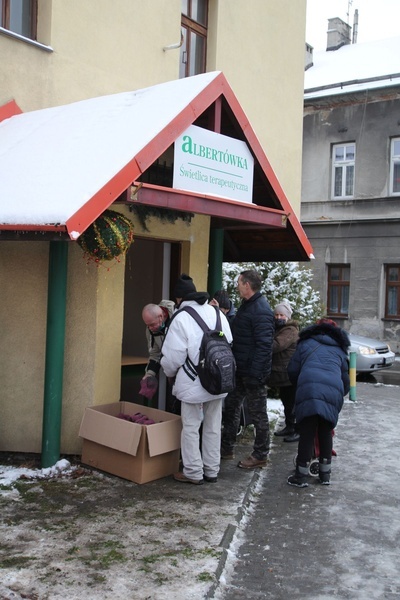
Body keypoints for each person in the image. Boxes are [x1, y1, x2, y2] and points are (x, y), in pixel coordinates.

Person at [160, 275, 233, 485]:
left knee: (191, 427)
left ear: (179, 298)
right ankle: (212, 470)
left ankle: (193, 472)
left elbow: (173, 357)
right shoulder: (217, 312)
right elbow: (229, 342)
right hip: (219, 380)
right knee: (212, 425)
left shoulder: (181, 317)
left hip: (193, 382)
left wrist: (170, 374)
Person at [220, 270, 275, 469]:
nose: (236, 286)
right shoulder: (247, 306)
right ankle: (227, 448)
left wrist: (256, 374)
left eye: (239, 282)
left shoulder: (261, 310)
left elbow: (264, 346)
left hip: (253, 374)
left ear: (247, 285)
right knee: (232, 408)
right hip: (241, 370)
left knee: (258, 414)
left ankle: (260, 454)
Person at [286, 318, 350, 487]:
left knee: (307, 431)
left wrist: (300, 385)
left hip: (309, 387)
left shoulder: (305, 343)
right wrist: (337, 394)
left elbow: (292, 370)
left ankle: (301, 476)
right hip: (333, 391)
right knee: (326, 430)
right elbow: (346, 381)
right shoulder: (340, 350)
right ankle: (325, 474)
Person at [269, 301, 300, 443]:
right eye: (276, 314)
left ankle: (296, 429)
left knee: (291, 403)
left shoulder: (290, 331)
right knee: (286, 401)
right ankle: (289, 426)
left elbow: (277, 345)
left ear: (287, 317)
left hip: (289, 373)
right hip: (282, 373)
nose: (279, 317)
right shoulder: (278, 329)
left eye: (281, 315)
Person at [140, 300, 175, 403]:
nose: (150, 328)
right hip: (170, 374)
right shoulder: (151, 330)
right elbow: (155, 354)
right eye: (147, 325)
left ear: (160, 317)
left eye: (152, 324)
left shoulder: (178, 319)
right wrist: (149, 374)